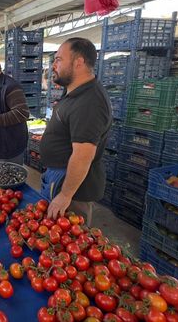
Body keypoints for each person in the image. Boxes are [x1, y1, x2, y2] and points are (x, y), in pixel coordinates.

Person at [39, 38, 112, 222]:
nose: (54, 65)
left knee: (67, 242)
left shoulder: (90, 101)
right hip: (58, 176)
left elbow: (83, 155)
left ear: (78, 62)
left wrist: (65, 195)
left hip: (72, 188)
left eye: (59, 59)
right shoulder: (74, 91)